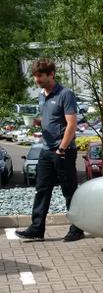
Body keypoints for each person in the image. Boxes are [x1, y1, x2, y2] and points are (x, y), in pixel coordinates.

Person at [16, 59, 85, 242]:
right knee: (42, 189)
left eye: (40, 76)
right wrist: (37, 122)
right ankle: (36, 229)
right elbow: (51, 119)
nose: (36, 79)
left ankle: (77, 229)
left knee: (69, 191)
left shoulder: (65, 94)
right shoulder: (41, 95)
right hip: (46, 150)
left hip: (63, 151)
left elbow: (71, 125)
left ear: (51, 74)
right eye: (35, 76)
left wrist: (61, 148)